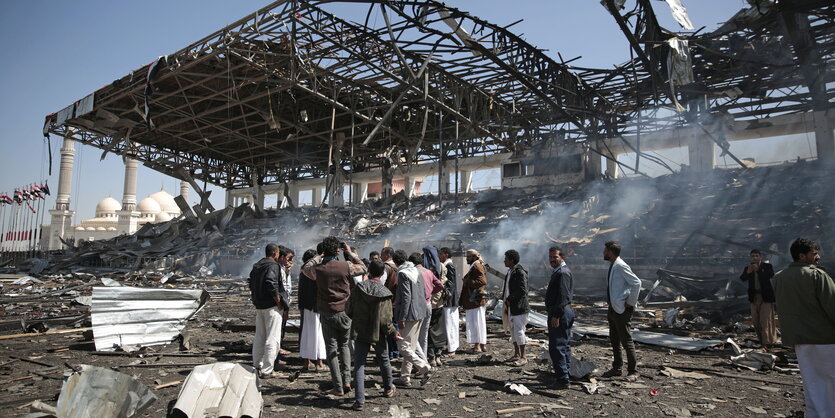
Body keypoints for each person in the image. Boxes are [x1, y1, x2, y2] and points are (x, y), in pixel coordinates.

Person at [772, 238, 835, 417]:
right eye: (814, 254)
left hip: (800, 341)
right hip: (826, 338)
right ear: (802, 256)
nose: (818, 257)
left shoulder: (779, 278)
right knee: (831, 381)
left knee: (812, 383)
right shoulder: (817, 275)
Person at [303, 236, 368, 396]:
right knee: (344, 346)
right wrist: (350, 253)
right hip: (345, 312)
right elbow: (364, 267)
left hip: (326, 312)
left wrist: (320, 256)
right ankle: (347, 381)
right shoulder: (346, 266)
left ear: (324, 251)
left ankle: (337, 386)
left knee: (331, 349)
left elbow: (305, 268)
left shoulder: (318, 269)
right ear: (338, 250)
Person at [346, 260, 397, 410]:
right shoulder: (385, 293)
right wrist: (393, 333)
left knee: (359, 364)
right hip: (378, 333)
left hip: (360, 330)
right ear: (382, 274)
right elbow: (386, 321)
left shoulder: (359, 288)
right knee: (384, 360)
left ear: (368, 270)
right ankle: (388, 388)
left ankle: (359, 400)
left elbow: (349, 309)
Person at [248, 243, 290, 379]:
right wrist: (279, 302)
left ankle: (257, 365)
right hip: (271, 306)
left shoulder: (257, 265)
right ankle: (267, 369)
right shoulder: (273, 265)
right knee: (273, 338)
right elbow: (271, 283)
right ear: (275, 253)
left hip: (259, 305)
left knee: (260, 336)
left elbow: (250, 282)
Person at [602, 241, 641, 382]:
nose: (604, 253)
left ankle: (633, 371)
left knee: (626, 341)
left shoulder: (620, 265)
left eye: (605, 251)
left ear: (610, 252)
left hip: (622, 310)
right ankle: (617, 367)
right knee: (614, 340)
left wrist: (630, 302)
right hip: (614, 308)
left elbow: (636, 283)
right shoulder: (614, 265)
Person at [392, 249, 432, 386]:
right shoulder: (416, 270)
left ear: (396, 262)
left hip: (409, 314)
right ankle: (404, 377)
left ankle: (424, 367)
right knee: (411, 346)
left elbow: (406, 296)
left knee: (403, 347)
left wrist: (402, 317)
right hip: (420, 312)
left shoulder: (403, 273)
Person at [545, 246, 574, 390]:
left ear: (562, 257)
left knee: (557, 346)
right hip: (563, 312)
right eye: (550, 257)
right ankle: (566, 374)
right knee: (564, 344)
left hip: (560, 313)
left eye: (555, 257)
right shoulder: (559, 271)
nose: (551, 260)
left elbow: (563, 297)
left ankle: (562, 379)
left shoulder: (562, 273)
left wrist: (556, 315)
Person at [739, 249, 777, 350]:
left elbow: (770, 276)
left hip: (765, 297)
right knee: (756, 321)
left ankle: (766, 343)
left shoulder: (767, 266)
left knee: (765, 320)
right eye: (753, 256)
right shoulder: (748, 267)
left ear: (760, 257)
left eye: (756, 256)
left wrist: (759, 270)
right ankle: (762, 341)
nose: (754, 258)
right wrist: (748, 272)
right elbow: (742, 278)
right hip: (754, 297)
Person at [411, 252, 443, 367]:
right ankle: (423, 361)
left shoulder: (413, 272)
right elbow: (440, 285)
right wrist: (430, 292)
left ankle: (420, 363)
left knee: (414, 335)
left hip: (417, 306)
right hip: (428, 304)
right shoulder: (429, 272)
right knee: (423, 336)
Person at [298, 248, 326, 372]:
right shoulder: (315, 272)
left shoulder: (302, 272)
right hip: (315, 307)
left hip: (305, 306)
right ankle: (319, 363)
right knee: (318, 334)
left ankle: (306, 362)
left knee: (306, 334)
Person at [502, 249, 529, 366]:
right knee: (513, 331)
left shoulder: (520, 273)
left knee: (519, 331)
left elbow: (523, 291)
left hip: (519, 307)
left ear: (511, 260)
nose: (504, 261)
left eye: (506, 259)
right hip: (511, 307)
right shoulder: (510, 272)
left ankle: (523, 356)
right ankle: (516, 354)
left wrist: (510, 299)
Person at [460, 249, 488, 353]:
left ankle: (477, 347)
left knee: (476, 323)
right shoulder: (476, 265)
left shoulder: (476, 265)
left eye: (469, 256)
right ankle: (482, 345)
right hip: (475, 300)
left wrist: (467, 281)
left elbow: (482, 281)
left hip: (475, 300)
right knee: (479, 322)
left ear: (475, 257)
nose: (467, 258)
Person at [424, 246, 448, 366]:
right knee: (439, 330)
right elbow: (442, 283)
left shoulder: (425, 268)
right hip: (439, 303)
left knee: (428, 330)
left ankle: (432, 357)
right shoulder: (442, 266)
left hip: (429, 302)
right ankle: (437, 356)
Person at [439, 247, 460, 356]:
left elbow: (450, 284)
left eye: (441, 254)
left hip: (450, 301)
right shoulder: (447, 265)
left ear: (446, 254)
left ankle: (452, 349)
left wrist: (445, 296)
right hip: (449, 300)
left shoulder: (448, 266)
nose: (439, 255)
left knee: (450, 323)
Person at [380, 246, 400, 359]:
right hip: (397, 301)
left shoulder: (386, 268)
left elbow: (380, 285)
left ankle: (392, 352)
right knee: (395, 326)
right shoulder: (398, 267)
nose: (381, 257)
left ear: (387, 255)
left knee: (389, 327)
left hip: (389, 302)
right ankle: (396, 351)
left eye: (382, 255)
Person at [277, 246, 295, 363]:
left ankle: (278, 348)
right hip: (280, 304)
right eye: (289, 258)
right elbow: (283, 289)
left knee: (280, 328)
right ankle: (276, 355)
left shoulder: (283, 270)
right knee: (276, 329)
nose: (290, 262)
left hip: (284, 302)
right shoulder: (277, 270)